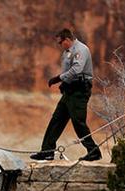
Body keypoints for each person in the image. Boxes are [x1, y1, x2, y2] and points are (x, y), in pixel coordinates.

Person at [31, 29, 102, 161]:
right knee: (56, 119)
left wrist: (59, 78)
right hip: (70, 90)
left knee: (78, 122)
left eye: (60, 42)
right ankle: (47, 151)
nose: (60, 45)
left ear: (67, 39)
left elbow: (77, 69)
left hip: (80, 90)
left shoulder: (80, 50)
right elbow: (69, 72)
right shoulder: (67, 52)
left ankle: (94, 151)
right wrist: (65, 83)